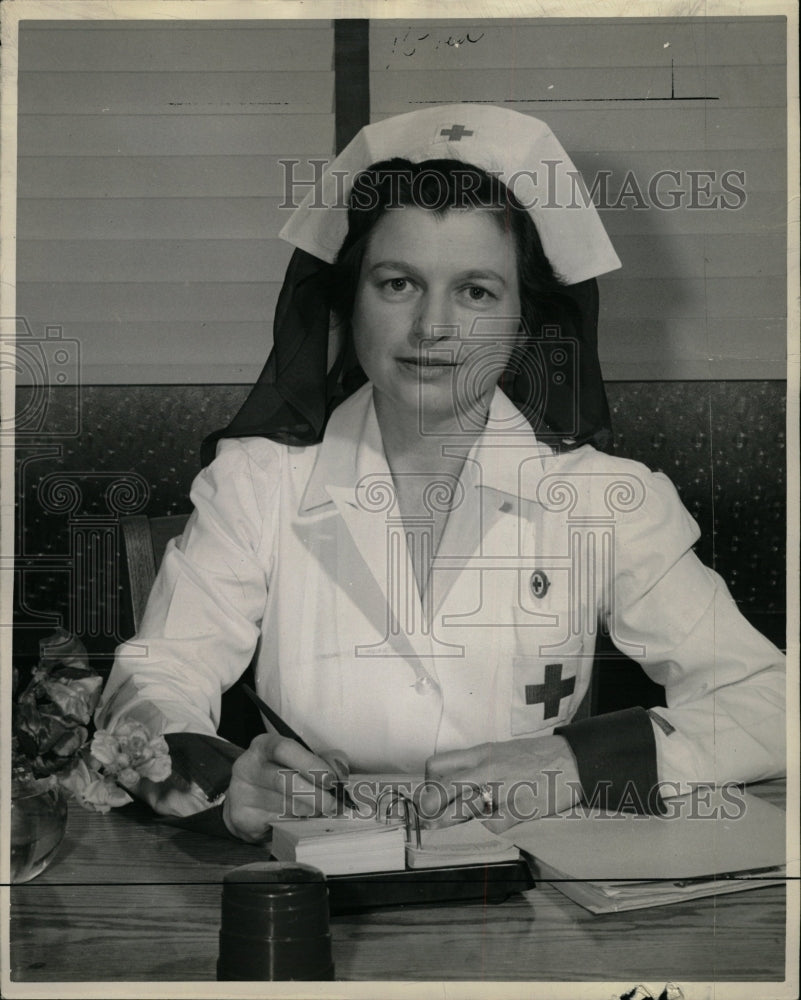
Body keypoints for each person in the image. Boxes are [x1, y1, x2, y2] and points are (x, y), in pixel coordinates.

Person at [95, 105, 785, 842]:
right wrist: (233, 780)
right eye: (397, 284)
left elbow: (769, 700)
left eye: (476, 291)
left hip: (534, 895)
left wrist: (576, 766)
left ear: (525, 319)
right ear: (347, 301)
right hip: (310, 873)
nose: (432, 328)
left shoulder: (605, 500)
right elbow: (151, 683)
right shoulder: (255, 483)